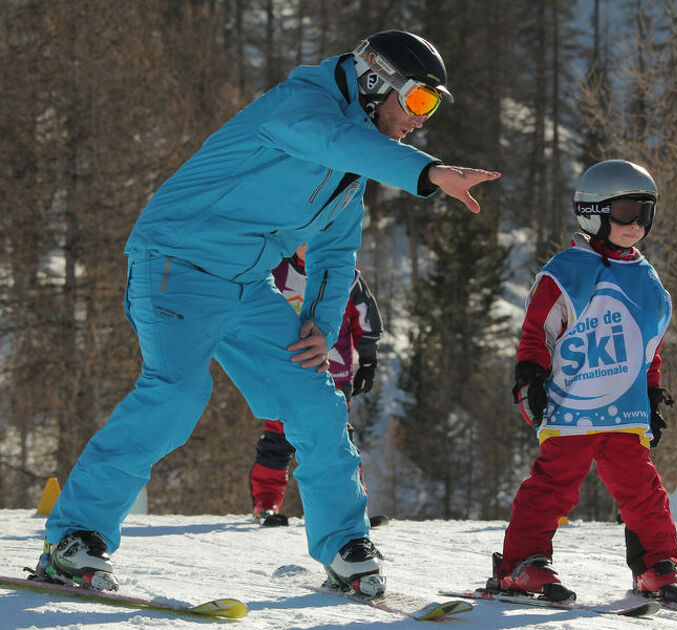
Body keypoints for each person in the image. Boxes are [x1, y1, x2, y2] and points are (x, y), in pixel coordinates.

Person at [35, 29, 500, 598]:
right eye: (419, 101)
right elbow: (330, 141)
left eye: (431, 107)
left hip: (244, 284)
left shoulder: (352, 161)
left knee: (315, 398)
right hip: (174, 265)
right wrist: (429, 173)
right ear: (375, 81)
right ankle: (75, 537)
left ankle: (347, 546)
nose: (421, 120)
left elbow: (335, 251)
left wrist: (322, 327)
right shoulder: (299, 107)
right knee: (176, 395)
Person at [486, 160, 677, 603]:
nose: (636, 224)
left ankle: (658, 564)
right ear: (594, 212)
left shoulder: (646, 278)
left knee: (643, 491)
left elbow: (648, 345)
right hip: (573, 403)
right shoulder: (569, 269)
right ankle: (521, 564)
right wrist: (530, 376)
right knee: (553, 486)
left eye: (645, 214)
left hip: (625, 407)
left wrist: (652, 393)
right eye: (625, 212)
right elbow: (539, 329)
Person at [250, 246, 386, 527]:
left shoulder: (343, 275)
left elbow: (365, 317)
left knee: (339, 442)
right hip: (285, 373)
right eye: (304, 238)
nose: (310, 244)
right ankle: (266, 504)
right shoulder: (274, 271)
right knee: (279, 440)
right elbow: (254, 316)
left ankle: (353, 508)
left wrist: (369, 360)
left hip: (333, 374)